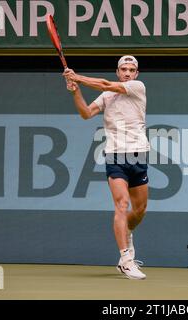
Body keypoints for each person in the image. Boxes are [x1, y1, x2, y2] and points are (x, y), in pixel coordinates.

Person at [63, 56, 150, 280]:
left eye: (132, 70)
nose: (128, 73)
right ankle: (126, 259)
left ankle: (127, 235)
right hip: (115, 155)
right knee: (121, 204)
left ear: (136, 74)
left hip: (138, 154)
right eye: (124, 69)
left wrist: (77, 77)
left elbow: (104, 83)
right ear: (118, 71)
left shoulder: (137, 87)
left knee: (139, 211)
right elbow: (86, 113)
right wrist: (75, 91)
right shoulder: (106, 96)